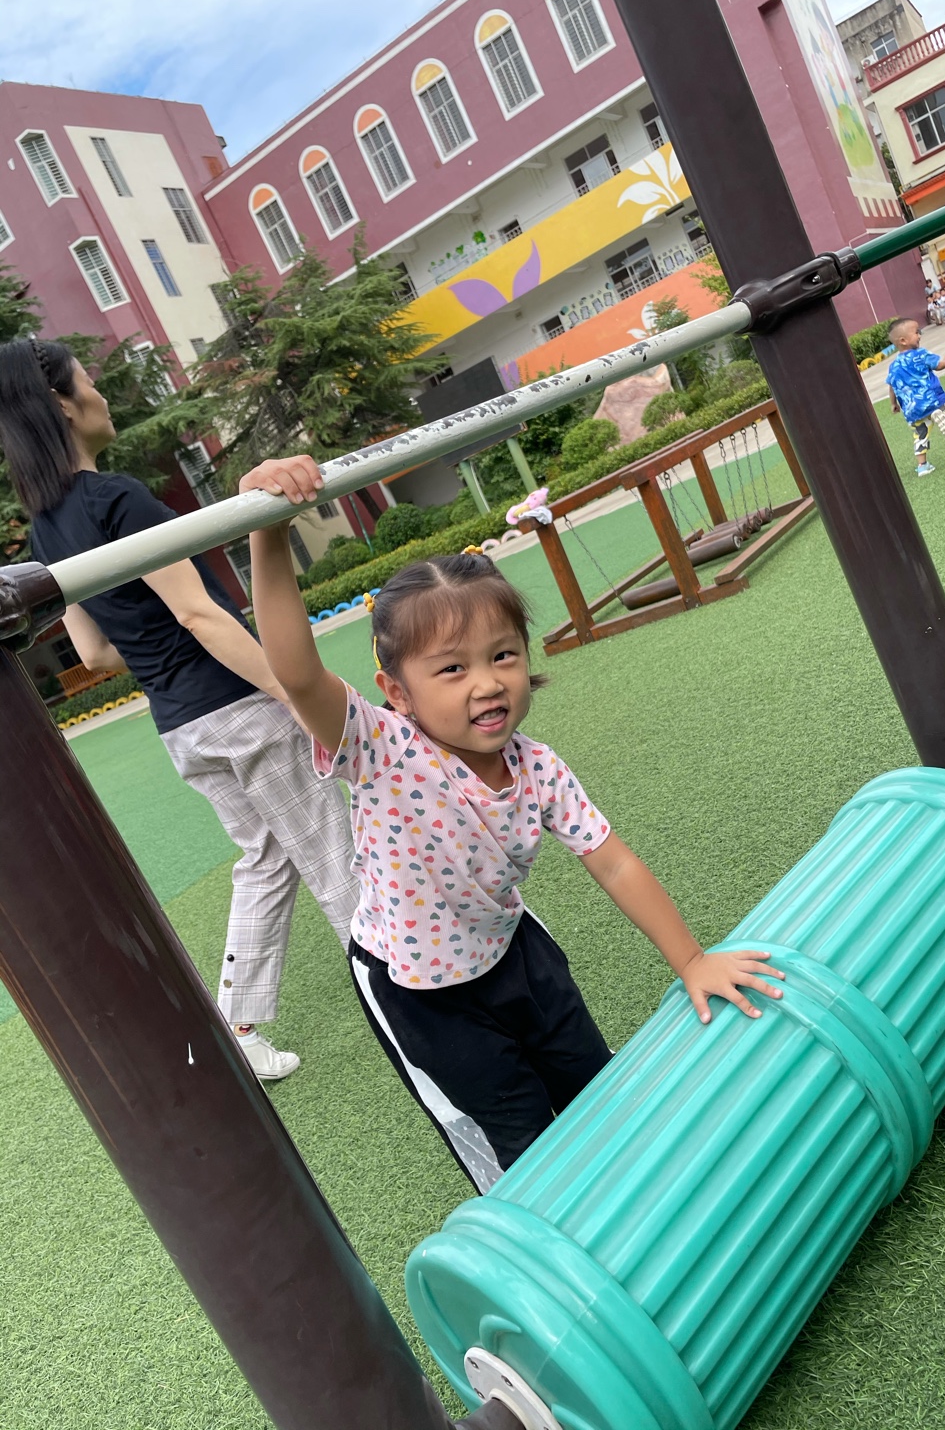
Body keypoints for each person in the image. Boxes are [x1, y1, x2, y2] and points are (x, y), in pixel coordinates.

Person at [239, 457, 787, 1188]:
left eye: (503, 656)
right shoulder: (379, 748)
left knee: (598, 1090)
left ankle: (649, 1196)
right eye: (452, 669)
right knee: (522, 1140)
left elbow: (613, 859)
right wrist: (269, 531)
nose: (488, 682)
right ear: (396, 692)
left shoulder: (538, 766)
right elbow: (297, 672)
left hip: (515, 952)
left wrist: (690, 961)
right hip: (421, 991)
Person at [0, 339, 358, 1081]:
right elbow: (199, 615)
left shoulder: (46, 530)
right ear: (63, 404)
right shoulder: (117, 498)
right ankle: (421, 1001)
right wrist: (297, 694)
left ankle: (238, 1027)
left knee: (267, 861)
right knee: (337, 859)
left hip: (183, 727)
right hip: (241, 709)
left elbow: (95, 652)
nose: (102, 396)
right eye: (90, 382)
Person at [885, 318, 945, 478]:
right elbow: (938, 365)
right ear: (903, 340)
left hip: (912, 410)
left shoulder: (893, 366)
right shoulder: (920, 355)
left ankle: (922, 466)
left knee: (920, 434)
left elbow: (892, 386)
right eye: (917, 332)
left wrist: (893, 403)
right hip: (932, 400)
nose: (919, 336)